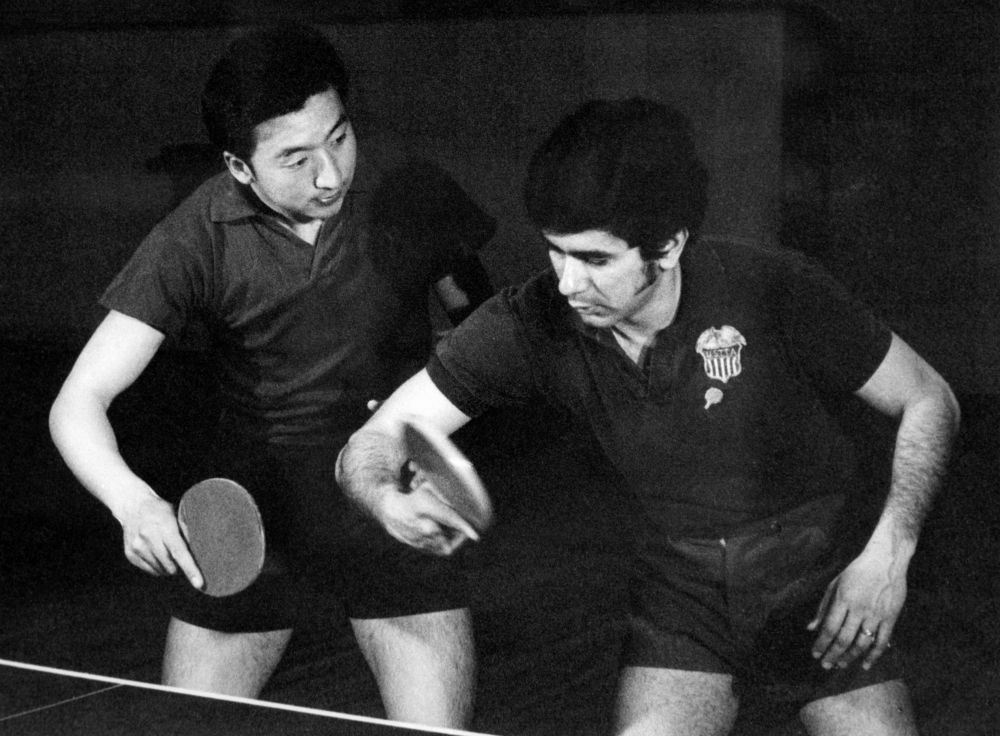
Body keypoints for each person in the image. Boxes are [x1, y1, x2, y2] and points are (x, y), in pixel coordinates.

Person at [336, 98, 960, 735]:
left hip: (816, 578)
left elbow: (930, 398)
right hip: (684, 595)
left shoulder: (773, 287)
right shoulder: (531, 321)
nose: (568, 283)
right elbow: (376, 436)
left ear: (669, 246)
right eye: (556, 252)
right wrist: (386, 500)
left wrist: (888, 556)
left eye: (596, 260)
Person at [49, 23, 493, 727]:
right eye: (295, 158)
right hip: (255, 511)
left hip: (387, 490)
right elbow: (79, 400)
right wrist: (132, 503)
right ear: (239, 165)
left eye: (339, 138)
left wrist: (440, 439)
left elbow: (482, 328)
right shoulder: (193, 238)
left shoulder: (407, 193)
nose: (331, 174)